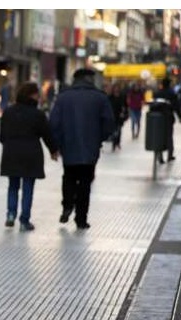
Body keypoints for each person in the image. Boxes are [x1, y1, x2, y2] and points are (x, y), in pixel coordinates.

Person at [49, 67, 114, 230]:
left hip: (68, 146)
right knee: (85, 183)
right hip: (90, 148)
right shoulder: (100, 98)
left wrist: (55, 145)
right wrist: (100, 138)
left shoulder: (63, 98)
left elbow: (54, 123)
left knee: (69, 176)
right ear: (90, 79)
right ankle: (81, 219)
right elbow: (109, 123)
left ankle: (67, 204)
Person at [0, 82, 59, 231]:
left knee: (13, 186)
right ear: (31, 95)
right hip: (31, 153)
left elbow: (2, 136)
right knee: (28, 188)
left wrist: (9, 144)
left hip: (11, 152)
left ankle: (11, 214)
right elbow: (47, 134)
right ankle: (24, 220)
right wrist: (53, 150)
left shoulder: (8, 112)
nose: (39, 97)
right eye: (37, 94)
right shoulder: (37, 114)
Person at [154, 77, 181, 163]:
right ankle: (170, 155)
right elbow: (176, 106)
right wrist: (180, 116)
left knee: (159, 137)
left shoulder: (158, 93)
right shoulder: (172, 93)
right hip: (168, 117)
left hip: (159, 118)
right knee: (169, 137)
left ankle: (160, 156)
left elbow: (154, 106)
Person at [107, 82, 128, 151]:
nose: (116, 89)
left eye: (117, 88)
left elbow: (125, 106)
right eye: (115, 88)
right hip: (112, 115)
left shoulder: (122, 96)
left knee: (119, 130)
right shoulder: (110, 97)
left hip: (120, 116)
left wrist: (125, 113)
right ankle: (114, 143)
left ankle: (117, 142)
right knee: (114, 131)